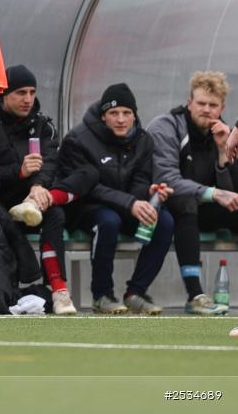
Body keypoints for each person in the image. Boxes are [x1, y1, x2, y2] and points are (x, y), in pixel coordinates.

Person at [55, 83, 174, 314]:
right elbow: (88, 187)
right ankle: (102, 295)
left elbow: (139, 181)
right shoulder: (78, 139)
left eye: (127, 113)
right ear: (103, 116)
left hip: (126, 206)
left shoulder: (144, 141)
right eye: (114, 113)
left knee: (164, 220)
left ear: (134, 115)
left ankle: (136, 292)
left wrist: (147, 193)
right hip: (84, 206)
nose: (121, 119)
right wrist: (130, 203)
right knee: (108, 221)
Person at [0, 65, 76, 314]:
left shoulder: (43, 125)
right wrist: (19, 171)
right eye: (20, 93)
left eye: (32, 92)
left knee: (55, 215)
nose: (28, 99)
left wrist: (37, 186)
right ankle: (8, 294)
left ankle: (59, 291)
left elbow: (50, 164)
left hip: (31, 203)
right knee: (4, 225)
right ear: (4, 94)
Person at [147, 71, 238, 315]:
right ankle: (195, 294)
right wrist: (214, 193)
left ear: (222, 107)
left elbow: (231, 194)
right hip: (164, 204)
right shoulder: (165, 126)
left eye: (213, 105)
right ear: (189, 103)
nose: (206, 110)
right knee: (187, 202)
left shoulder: (225, 134)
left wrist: (222, 154)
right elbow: (166, 179)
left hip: (203, 207)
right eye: (201, 103)